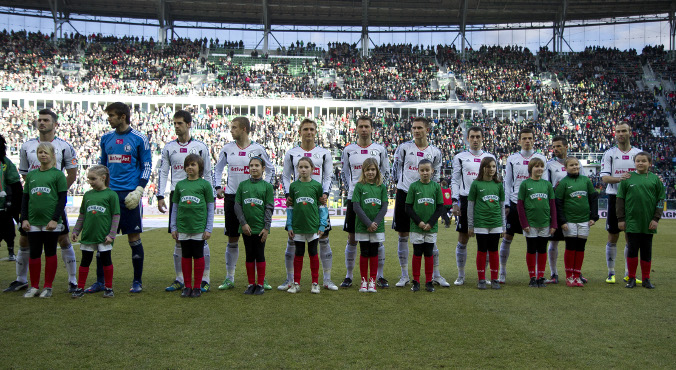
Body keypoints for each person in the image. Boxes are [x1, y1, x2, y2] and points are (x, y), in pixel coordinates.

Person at [5, 109, 79, 293]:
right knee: (24, 239)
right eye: (39, 120)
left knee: (62, 239)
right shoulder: (26, 146)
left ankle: (72, 280)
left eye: (46, 120)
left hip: (54, 203)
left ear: (55, 124)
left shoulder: (65, 146)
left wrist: (56, 194)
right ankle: (21, 279)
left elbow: (72, 174)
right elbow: (24, 174)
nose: (42, 123)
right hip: (34, 203)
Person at [96, 102, 152, 293]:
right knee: (102, 238)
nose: (108, 119)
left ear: (122, 117)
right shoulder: (105, 138)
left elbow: (146, 166)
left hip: (130, 195)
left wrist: (139, 190)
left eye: (111, 115)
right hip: (109, 194)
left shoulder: (139, 139)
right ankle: (100, 281)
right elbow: (102, 166)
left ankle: (137, 281)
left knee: (133, 237)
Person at [157, 110, 215, 293]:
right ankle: (180, 279)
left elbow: (208, 172)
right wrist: (160, 195)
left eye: (180, 123)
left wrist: (211, 194)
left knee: (201, 240)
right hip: (178, 192)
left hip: (198, 192)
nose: (176, 126)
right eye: (174, 123)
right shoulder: (168, 147)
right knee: (179, 240)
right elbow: (163, 172)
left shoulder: (200, 146)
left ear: (189, 124)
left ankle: (204, 279)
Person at [214, 117, 275, 290]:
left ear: (244, 129)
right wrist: (218, 187)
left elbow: (270, 168)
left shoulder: (257, 149)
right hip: (233, 198)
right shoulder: (227, 149)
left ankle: (261, 279)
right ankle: (229, 278)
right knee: (232, 239)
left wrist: (266, 187)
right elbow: (217, 169)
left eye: (234, 127)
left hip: (254, 198)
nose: (231, 130)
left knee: (257, 239)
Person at [278, 118, 337, 291]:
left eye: (312, 129)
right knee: (292, 240)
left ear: (316, 132)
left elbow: (327, 177)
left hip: (318, 202)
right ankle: (290, 280)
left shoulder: (324, 153)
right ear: (300, 132)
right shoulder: (291, 153)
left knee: (324, 239)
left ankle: (326, 279)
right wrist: (288, 194)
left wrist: (325, 194)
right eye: (305, 129)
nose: (309, 132)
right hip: (297, 203)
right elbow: (285, 176)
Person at [391, 117, 448, 288]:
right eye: (414, 128)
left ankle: (435, 275)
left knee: (429, 234)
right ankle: (404, 275)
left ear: (427, 130)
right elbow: (396, 168)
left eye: (420, 128)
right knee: (403, 234)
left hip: (426, 195)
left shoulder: (435, 152)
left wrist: (434, 192)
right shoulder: (404, 148)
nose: (416, 131)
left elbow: (437, 176)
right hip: (405, 193)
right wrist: (399, 186)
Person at [339, 116, 390, 288]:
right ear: (356, 129)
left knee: (377, 238)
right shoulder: (348, 150)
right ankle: (349, 276)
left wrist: (379, 189)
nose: (363, 129)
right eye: (360, 126)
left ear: (372, 129)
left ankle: (379, 276)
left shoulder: (380, 149)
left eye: (366, 126)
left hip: (374, 198)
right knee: (352, 238)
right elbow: (344, 173)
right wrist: (351, 190)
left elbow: (386, 172)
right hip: (355, 198)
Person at [499, 127, 547, 284]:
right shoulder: (512, 159)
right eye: (524, 138)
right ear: (519, 140)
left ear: (534, 140)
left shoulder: (541, 158)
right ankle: (502, 271)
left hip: (535, 205)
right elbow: (508, 182)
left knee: (537, 240)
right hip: (515, 203)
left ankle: (538, 275)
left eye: (530, 138)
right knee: (507, 237)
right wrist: (506, 203)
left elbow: (545, 183)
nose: (527, 141)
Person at [451, 126, 496, 286]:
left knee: (488, 240)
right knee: (463, 238)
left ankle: (482, 276)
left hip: (486, 201)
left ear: (483, 138)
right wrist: (455, 202)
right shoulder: (460, 157)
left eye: (478, 136)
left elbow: (496, 180)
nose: (475, 139)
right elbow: (455, 180)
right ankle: (461, 275)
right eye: (472, 137)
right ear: (467, 139)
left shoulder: (490, 157)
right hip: (465, 199)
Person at [21, 142, 67, 298]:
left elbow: (62, 199)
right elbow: (25, 199)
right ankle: (34, 286)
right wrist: (24, 219)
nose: (42, 155)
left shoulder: (58, 174)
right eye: (40, 152)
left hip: (51, 223)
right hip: (33, 222)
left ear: (52, 155)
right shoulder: (31, 175)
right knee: (34, 253)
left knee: (50, 253)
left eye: (46, 152)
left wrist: (55, 219)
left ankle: (48, 287)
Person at [600, 122, 643, 284]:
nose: (621, 134)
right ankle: (611, 273)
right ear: (615, 134)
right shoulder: (610, 153)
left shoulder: (638, 153)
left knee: (630, 236)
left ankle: (629, 273)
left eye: (624, 131)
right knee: (613, 235)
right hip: (615, 197)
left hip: (634, 199)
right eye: (618, 131)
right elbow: (605, 178)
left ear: (630, 132)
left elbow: (645, 175)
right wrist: (622, 179)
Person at [616, 152, 665, 289]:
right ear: (634, 162)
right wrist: (621, 219)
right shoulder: (627, 179)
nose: (640, 163)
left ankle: (646, 279)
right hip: (632, 222)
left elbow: (660, 200)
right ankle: (631, 278)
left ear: (650, 163)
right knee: (632, 250)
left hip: (648, 222)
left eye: (644, 161)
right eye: (638, 161)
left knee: (646, 251)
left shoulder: (655, 180)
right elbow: (620, 201)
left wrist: (656, 219)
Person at [70, 165, 120, 298]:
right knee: (85, 261)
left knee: (106, 261)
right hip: (88, 235)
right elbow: (82, 215)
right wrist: (76, 230)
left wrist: (112, 235)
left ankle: (108, 288)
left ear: (103, 178)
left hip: (104, 236)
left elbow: (116, 216)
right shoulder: (87, 195)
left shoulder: (111, 195)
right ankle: (80, 288)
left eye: (93, 179)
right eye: (88, 179)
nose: (90, 182)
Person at [170, 154, 215, 298]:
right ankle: (187, 286)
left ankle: (197, 287)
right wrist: (174, 227)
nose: (189, 167)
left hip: (198, 228)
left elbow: (210, 208)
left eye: (193, 164)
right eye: (187, 165)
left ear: (200, 167)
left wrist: (208, 228)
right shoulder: (180, 185)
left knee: (198, 256)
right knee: (186, 256)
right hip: (183, 227)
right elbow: (175, 207)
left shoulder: (205, 185)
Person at [285, 157, 328, 294]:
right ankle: (296, 283)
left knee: (313, 253)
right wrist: (290, 225)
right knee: (298, 254)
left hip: (313, 226)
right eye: (301, 167)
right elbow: (290, 208)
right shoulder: (293, 186)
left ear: (312, 169)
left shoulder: (317, 186)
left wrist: (322, 225)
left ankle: (315, 283)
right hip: (298, 227)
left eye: (306, 167)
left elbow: (322, 207)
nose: (303, 169)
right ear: (297, 169)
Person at [554, 157, 599, 287]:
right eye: (572, 165)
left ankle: (577, 275)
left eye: (577, 165)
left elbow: (593, 198)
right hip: (570, 221)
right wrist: (562, 221)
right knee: (570, 248)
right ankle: (569, 276)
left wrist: (593, 217)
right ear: (566, 167)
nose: (575, 167)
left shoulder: (586, 181)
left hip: (584, 221)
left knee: (580, 248)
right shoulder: (563, 183)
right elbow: (558, 203)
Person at [234, 156, 274, 295]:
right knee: (249, 255)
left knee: (260, 255)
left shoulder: (267, 187)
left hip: (260, 229)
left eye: (257, 165)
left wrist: (266, 228)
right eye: (251, 165)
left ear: (263, 169)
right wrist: (243, 223)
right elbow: (237, 205)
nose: (254, 168)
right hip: (246, 229)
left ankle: (261, 284)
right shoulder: (243, 185)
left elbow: (269, 208)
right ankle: (251, 284)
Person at [404, 159, 445, 293]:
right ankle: (416, 281)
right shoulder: (414, 186)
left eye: (427, 170)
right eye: (422, 170)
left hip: (431, 227)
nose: (425, 172)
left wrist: (431, 223)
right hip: (417, 227)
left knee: (428, 253)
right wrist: (419, 222)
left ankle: (428, 281)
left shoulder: (436, 187)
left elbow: (440, 207)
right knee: (417, 253)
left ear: (432, 171)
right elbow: (408, 207)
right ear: (418, 171)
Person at [517, 158, 557, 288]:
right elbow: (520, 205)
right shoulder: (525, 184)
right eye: (536, 166)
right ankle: (532, 277)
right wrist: (524, 223)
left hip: (545, 223)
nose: (539, 168)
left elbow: (552, 205)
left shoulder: (547, 185)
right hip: (531, 224)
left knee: (542, 250)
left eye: (541, 166)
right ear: (530, 169)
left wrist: (553, 224)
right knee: (531, 249)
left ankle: (540, 276)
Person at [351, 158, 388, 293]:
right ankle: (363, 281)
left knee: (374, 253)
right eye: (368, 170)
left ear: (377, 171)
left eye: (373, 169)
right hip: (363, 226)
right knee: (364, 252)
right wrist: (368, 223)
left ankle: (372, 280)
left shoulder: (382, 187)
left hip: (376, 227)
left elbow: (384, 207)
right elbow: (356, 206)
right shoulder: (359, 186)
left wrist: (375, 223)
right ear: (363, 171)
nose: (370, 172)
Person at [467, 157, 505, 290]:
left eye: (494, 166)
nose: (491, 169)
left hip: (495, 223)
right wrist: (470, 226)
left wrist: (503, 226)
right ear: (483, 168)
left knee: (494, 251)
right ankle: (481, 279)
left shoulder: (499, 184)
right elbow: (470, 206)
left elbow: (501, 207)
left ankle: (495, 279)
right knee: (482, 251)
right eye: (488, 166)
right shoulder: (476, 184)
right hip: (481, 223)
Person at [0, 134, 21, 262]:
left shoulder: (5, 163)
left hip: (3, 206)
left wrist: (14, 206)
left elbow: (15, 186)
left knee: (8, 231)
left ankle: (11, 252)